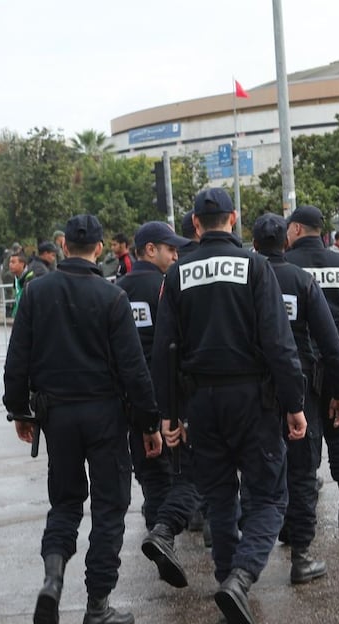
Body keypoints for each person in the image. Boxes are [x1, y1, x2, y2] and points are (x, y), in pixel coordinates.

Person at [152, 188, 307, 624]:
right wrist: (294, 403)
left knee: (220, 498)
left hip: (201, 402)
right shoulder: (255, 266)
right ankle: (239, 579)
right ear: (233, 219)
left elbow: (164, 351)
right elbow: (279, 344)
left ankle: (227, 585)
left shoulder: (178, 274)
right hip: (252, 400)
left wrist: (169, 414)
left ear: (196, 225)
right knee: (269, 498)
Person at [3, 214, 162, 624]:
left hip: (57, 418)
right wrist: (148, 421)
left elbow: (17, 359)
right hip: (106, 415)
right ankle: (97, 605)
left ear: (64, 245)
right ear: (98, 248)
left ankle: (53, 580)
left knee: (66, 503)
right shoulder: (111, 297)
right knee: (109, 506)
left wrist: (20, 411)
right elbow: (134, 369)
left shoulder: (36, 293)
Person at [252, 214, 339, 585]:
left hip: (256, 390)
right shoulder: (301, 280)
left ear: (256, 244)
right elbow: (331, 345)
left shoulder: (248, 279)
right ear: (286, 242)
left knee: (260, 469)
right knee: (303, 469)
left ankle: (258, 547)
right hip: (303, 387)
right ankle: (302, 555)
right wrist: (337, 393)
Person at [115, 220, 197, 589]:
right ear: (151, 249)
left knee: (149, 474)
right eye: (170, 249)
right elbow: (175, 344)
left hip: (130, 398)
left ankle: (159, 536)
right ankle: (168, 535)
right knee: (184, 472)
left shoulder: (116, 291)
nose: (176, 255)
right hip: (166, 395)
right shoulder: (165, 287)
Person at [283, 205, 339, 528]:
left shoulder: (284, 267)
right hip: (337, 364)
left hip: (298, 367)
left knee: (300, 440)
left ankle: (299, 517)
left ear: (295, 229)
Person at [8, 253, 35, 318]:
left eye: (13, 262)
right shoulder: (16, 277)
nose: (10, 265)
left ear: (22, 264)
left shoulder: (31, 277)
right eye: (10, 262)